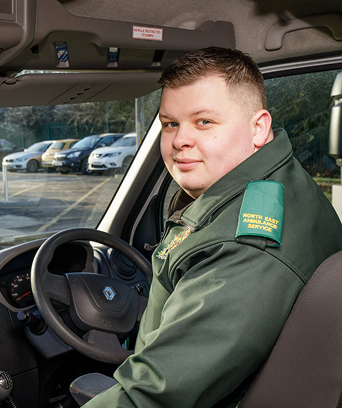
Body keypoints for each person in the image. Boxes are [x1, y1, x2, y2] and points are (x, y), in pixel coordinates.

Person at [84, 47, 342, 407]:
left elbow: (153, 396)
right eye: (171, 123)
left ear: (258, 128)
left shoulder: (246, 247)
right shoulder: (271, 182)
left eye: (204, 122)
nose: (179, 141)